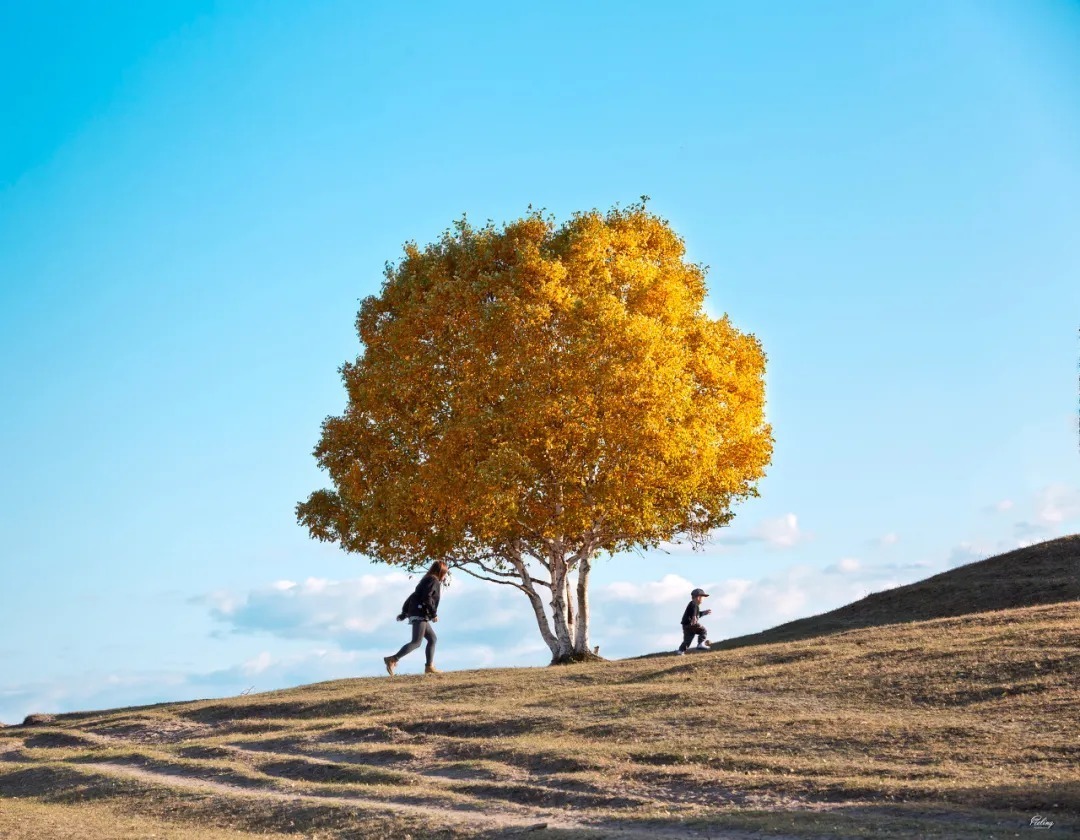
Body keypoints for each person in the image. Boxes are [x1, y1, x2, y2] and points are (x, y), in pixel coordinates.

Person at [384, 560, 448, 676]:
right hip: (420, 613)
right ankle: (392, 659)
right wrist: (433, 614)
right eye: (445, 573)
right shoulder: (433, 580)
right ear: (441, 572)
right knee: (416, 642)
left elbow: (413, 596)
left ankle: (429, 667)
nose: (445, 576)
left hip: (418, 613)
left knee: (432, 639)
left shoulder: (426, 580)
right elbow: (427, 597)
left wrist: (404, 612)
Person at [677, 587, 712, 654]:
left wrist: (703, 613)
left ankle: (680, 651)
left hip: (686, 625)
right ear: (698, 597)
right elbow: (694, 611)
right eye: (703, 597)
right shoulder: (694, 604)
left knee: (687, 640)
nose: (703, 599)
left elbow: (696, 613)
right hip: (691, 624)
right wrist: (694, 617)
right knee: (703, 630)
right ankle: (700, 644)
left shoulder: (693, 605)